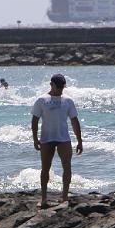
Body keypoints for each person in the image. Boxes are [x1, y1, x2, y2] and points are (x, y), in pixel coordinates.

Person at [31, 73, 83, 208]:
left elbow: (74, 121)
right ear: (51, 85)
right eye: (58, 87)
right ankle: (43, 198)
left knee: (67, 167)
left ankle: (64, 197)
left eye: (62, 87)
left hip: (63, 139)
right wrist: (35, 138)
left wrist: (79, 140)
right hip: (46, 139)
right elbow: (35, 120)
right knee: (45, 169)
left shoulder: (68, 100)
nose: (60, 90)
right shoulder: (42, 100)